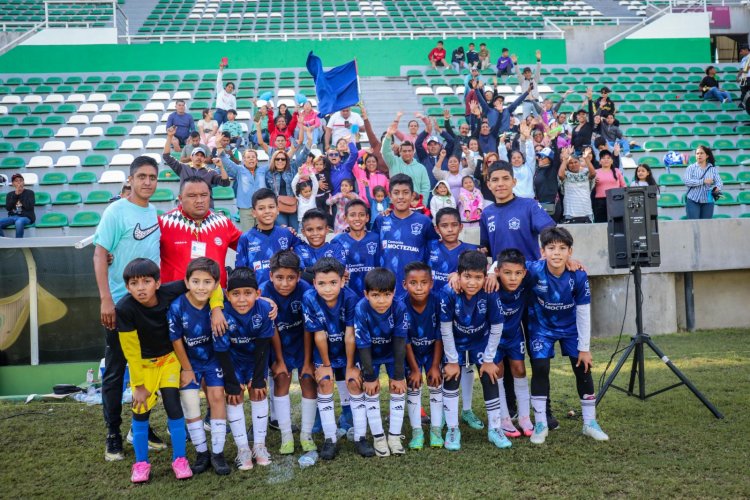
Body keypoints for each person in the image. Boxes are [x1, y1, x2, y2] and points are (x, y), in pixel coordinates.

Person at [93, 156, 163, 462]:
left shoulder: (154, 212)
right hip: (120, 306)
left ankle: (141, 429)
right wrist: (106, 299)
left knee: (148, 370)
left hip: (148, 305)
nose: (147, 182)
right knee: (116, 370)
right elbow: (99, 254)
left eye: (152, 177)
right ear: (130, 180)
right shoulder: (116, 211)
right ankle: (113, 434)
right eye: (142, 176)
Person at [526, 226, 609, 444]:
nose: (556, 253)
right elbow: (501, 265)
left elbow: (583, 312)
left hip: (570, 328)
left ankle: (589, 423)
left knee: (583, 368)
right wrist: (489, 272)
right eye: (551, 248)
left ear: (570, 252)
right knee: (540, 369)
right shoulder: (533, 269)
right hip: (541, 328)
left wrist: (584, 348)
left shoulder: (578, 275)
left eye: (562, 248)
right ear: (542, 252)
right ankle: (541, 423)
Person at [116, 258, 193, 483]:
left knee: (173, 405)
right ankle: (141, 463)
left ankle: (180, 459)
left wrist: (217, 308)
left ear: (158, 283)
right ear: (128, 287)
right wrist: (138, 386)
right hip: (143, 365)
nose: (141, 288)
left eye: (146, 281)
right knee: (140, 410)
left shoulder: (171, 291)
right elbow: (131, 352)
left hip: (169, 360)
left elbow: (208, 283)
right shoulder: (124, 309)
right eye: (134, 283)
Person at [169, 257, 240, 475]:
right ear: (187, 281)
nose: (201, 287)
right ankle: (202, 452)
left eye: (207, 282)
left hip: (213, 361)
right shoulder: (177, 306)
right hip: (189, 363)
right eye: (196, 281)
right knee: (190, 403)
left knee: (217, 397)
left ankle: (218, 453)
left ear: (216, 284)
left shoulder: (219, 308)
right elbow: (176, 339)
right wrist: (187, 368)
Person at [440, 250, 512, 451]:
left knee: (490, 375)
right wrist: (452, 360)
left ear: (485, 276)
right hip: (456, 341)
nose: (472, 282)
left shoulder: (490, 292)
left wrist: (489, 359)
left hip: (481, 342)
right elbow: (445, 328)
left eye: (478, 277)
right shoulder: (448, 292)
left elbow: (497, 327)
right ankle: (453, 428)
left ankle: (495, 428)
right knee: (451, 376)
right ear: (459, 275)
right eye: (467, 277)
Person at [259, 251, 318, 454]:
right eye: (279, 278)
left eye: (291, 278)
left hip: (302, 342)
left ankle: (306, 435)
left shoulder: (306, 291)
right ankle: (286, 437)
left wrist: (308, 360)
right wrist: (279, 360)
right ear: (270, 276)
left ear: (299, 277)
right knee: (282, 378)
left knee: (308, 378)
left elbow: (308, 328)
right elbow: (271, 327)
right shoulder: (263, 293)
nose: (285, 283)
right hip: (277, 343)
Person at [302, 257, 359, 460]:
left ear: (343, 281)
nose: (328, 288)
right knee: (325, 383)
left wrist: (351, 365)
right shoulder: (309, 298)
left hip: (347, 348)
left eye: (333, 283)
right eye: (322, 283)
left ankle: (360, 435)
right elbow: (318, 334)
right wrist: (326, 365)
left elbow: (350, 334)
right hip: (324, 349)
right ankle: (330, 438)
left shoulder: (351, 298)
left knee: (353, 382)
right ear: (314, 283)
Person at [219, 266, 278, 467]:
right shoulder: (222, 313)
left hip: (256, 359)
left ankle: (259, 445)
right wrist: (231, 382)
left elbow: (264, 345)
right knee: (234, 397)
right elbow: (222, 351)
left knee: (258, 391)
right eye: (236, 294)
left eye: (248, 293)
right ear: (227, 295)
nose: (242, 299)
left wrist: (259, 377)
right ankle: (243, 449)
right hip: (232, 361)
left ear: (258, 293)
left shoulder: (264, 309)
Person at [349, 268, 409, 457]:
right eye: (375, 295)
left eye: (386, 295)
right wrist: (369, 376)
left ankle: (394, 436)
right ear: (366, 294)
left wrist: (399, 376)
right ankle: (378, 437)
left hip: (392, 353)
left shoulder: (399, 307)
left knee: (399, 387)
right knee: (371, 388)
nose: (381, 301)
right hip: (370, 355)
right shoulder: (361, 308)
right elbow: (362, 344)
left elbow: (400, 341)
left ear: (394, 293)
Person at [158, 177, 242, 288]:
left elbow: (250, 247)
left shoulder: (223, 222)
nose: (199, 200)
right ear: (180, 198)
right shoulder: (163, 223)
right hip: (175, 299)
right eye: (192, 196)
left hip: (215, 299)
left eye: (204, 195)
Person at [372, 174, 440, 300]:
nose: (401, 197)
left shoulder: (424, 221)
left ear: (413, 195)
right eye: (396, 193)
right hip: (386, 289)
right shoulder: (381, 220)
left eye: (405, 192)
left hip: (415, 290)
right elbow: (372, 248)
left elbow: (435, 250)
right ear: (390, 196)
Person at [402, 262, 443, 450]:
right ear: (405, 285)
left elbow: (439, 335)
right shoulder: (400, 305)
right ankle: (417, 432)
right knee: (413, 386)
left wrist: (435, 366)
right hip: (411, 354)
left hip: (433, 352)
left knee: (436, 385)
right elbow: (405, 339)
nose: (419, 287)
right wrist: (415, 369)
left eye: (423, 282)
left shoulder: (437, 302)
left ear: (431, 283)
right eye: (413, 283)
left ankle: (436, 431)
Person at [493, 249, 534, 438]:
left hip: (514, 335)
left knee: (520, 369)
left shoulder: (525, 284)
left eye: (517, 273)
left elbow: (544, 264)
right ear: (499, 272)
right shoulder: (490, 285)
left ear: (524, 273)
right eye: (507, 273)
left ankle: (524, 417)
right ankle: (504, 418)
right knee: (498, 372)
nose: (512, 278)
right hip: (493, 338)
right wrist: (489, 273)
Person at [479, 162, 555, 261]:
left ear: (514, 182)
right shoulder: (486, 213)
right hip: (501, 273)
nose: (500, 184)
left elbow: (552, 233)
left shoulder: (530, 205)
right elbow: (486, 248)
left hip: (529, 272)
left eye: (506, 178)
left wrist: (562, 257)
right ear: (489, 185)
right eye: (495, 180)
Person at [236, 188, 301, 284]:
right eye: (261, 208)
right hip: (258, 294)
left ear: (278, 210)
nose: (267, 211)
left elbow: (302, 256)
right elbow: (240, 271)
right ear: (254, 213)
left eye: (271, 207)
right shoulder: (246, 238)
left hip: (284, 289)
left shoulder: (287, 234)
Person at [163, 126, 231, 208]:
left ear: (204, 158)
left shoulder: (210, 172)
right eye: (197, 155)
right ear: (191, 157)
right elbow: (166, 156)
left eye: (202, 156)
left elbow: (225, 183)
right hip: (186, 207)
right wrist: (170, 136)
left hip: (206, 208)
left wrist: (221, 167)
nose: (199, 157)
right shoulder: (183, 168)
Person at [330, 199, 381, 298]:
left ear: (367, 218)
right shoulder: (338, 241)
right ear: (345, 218)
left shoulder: (376, 238)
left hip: (374, 295)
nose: (357, 218)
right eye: (352, 215)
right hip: (348, 296)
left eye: (361, 215)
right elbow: (334, 269)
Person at [217, 148, 268, 232]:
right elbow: (224, 159)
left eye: (253, 157)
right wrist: (219, 145)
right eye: (248, 157)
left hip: (262, 208)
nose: (251, 158)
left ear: (257, 160)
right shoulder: (239, 170)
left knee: (263, 234)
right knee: (248, 235)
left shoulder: (263, 170)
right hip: (246, 209)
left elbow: (276, 162)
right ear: (244, 160)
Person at [382, 127, 432, 202]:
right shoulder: (393, 162)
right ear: (400, 151)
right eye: (404, 151)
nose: (407, 153)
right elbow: (385, 151)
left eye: (409, 151)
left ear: (413, 151)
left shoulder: (421, 168)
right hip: (397, 204)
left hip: (416, 206)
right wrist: (388, 135)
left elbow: (425, 188)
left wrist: (422, 204)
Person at [558, 147, 596, 224]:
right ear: (568, 166)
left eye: (575, 162)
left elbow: (593, 174)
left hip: (586, 211)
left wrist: (586, 159)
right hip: (570, 213)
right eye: (571, 163)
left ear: (579, 163)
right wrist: (565, 159)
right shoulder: (566, 175)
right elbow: (560, 175)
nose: (573, 164)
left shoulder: (585, 173)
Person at [684, 145, 723, 220]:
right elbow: (687, 182)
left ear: (707, 155)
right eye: (697, 153)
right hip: (693, 200)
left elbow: (719, 182)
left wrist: (716, 188)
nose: (699, 155)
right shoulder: (690, 168)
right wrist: (703, 181)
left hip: (708, 201)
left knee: (706, 226)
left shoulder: (712, 169)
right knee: (694, 225)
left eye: (701, 153)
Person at [294, 209, 335, 280]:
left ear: (327, 230)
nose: (315, 233)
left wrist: (307, 270)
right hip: (306, 290)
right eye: (310, 230)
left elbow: (338, 272)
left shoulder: (336, 248)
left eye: (319, 229)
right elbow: (301, 274)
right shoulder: (299, 249)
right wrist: (328, 270)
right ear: (303, 232)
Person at [592, 149, 627, 223]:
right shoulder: (595, 172)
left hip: (615, 200)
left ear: (612, 160)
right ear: (600, 161)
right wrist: (593, 182)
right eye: (603, 158)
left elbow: (623, 186)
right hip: (600, 202)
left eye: (608, 158)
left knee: (616, 223)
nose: (606, 160)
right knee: (601, 223)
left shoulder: (617, 171)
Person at [0, 173, 35, 238]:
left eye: (21, 180)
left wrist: (20, 194)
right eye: (16, 181)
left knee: (19, 222)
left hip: (27, 217)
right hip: (13, 216)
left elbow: (29, 207)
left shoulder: (30, 193)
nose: (19, 182)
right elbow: (8, 208)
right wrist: (16, 194)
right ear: (13, 184)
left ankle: (18, 243)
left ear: (23, 182)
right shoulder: (10, 194)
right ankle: (3, 241)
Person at [512, 50, 543, 118]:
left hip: (536, 102)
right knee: (525, 119)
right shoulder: (522, 81)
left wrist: (538, 60)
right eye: (525, 73)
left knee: (539, 119)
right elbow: (518, 72)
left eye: (529, 72)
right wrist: (515, 63)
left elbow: (538, 70)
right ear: (524, 74)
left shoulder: (535, 80)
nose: (527, 74)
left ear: (531, 73)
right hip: (526, 102)